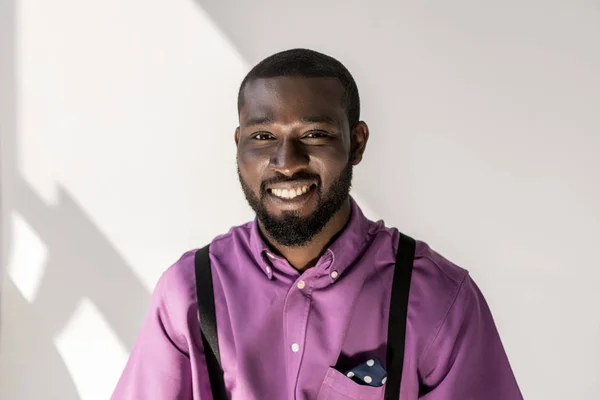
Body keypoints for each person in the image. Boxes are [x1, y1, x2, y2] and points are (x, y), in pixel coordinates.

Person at [112, 49, 523, 399]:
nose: (286, 161)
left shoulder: (437, 300)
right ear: (238, 145)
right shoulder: (189, 293)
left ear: (356, 143)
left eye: (314, 134)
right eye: (262, 137)